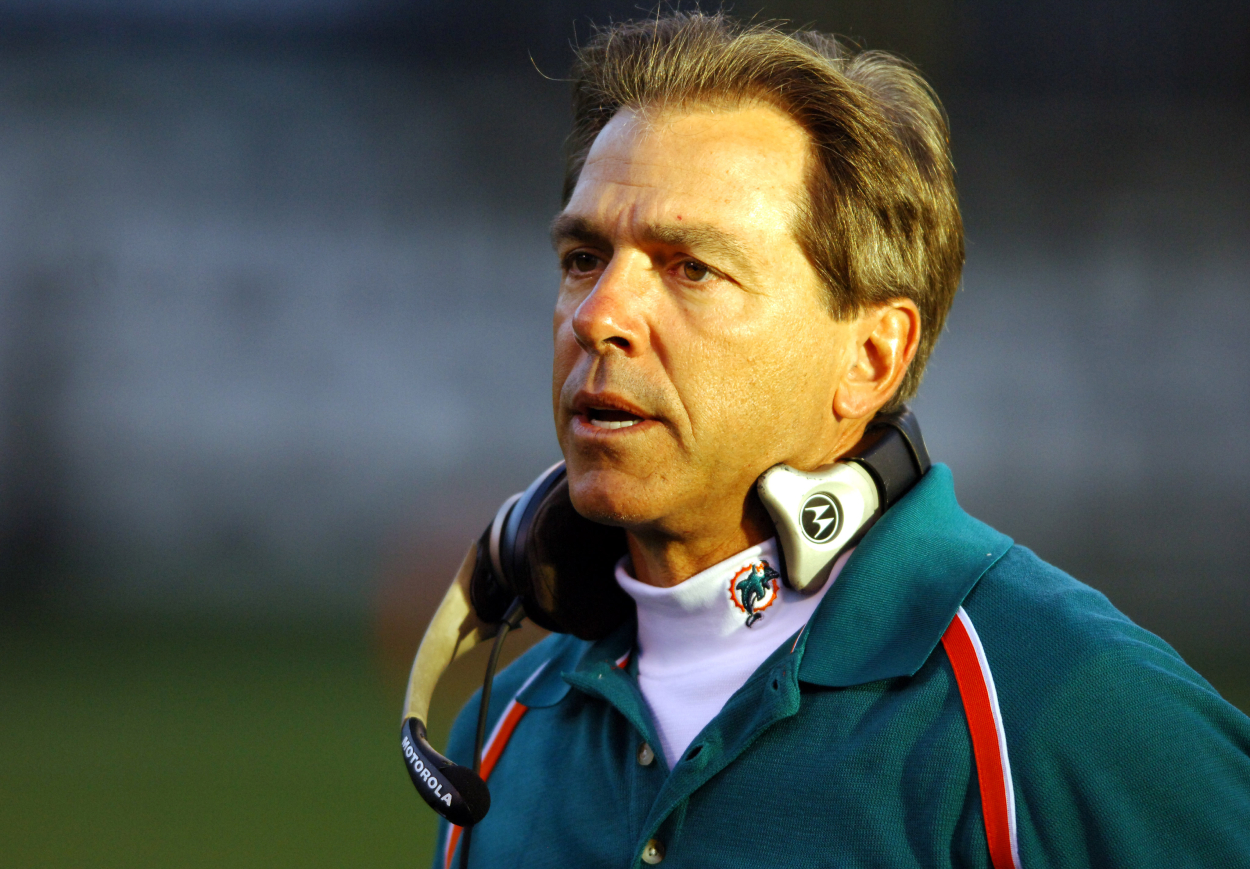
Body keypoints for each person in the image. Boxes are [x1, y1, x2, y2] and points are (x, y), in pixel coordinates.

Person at [433, 12, 1250, 868]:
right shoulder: (499, 739)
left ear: (870, 357)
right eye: (583, 258)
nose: (599, 314)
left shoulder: (1062, 697)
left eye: (691, 267)